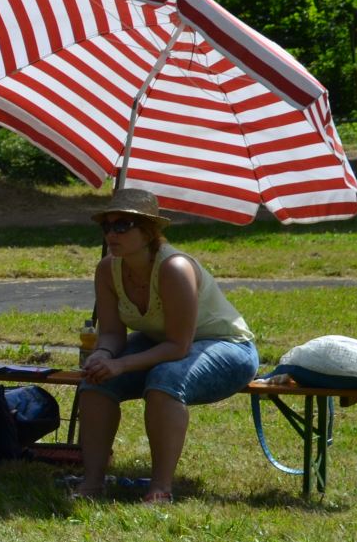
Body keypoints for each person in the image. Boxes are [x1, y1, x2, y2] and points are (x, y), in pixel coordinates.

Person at [75, 187, 258, 503]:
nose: (111, 234)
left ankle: (160, 489)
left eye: (122, 226)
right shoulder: (107, 268)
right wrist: (103, 355)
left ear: (148, 232)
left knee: (165, 380)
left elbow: (178, 346)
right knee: (95, 382)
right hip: (163, 343)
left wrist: (120, 364)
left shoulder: (174, 268)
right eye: (106, 226)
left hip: (226, 346)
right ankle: (91, 483)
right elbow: (113, 334)